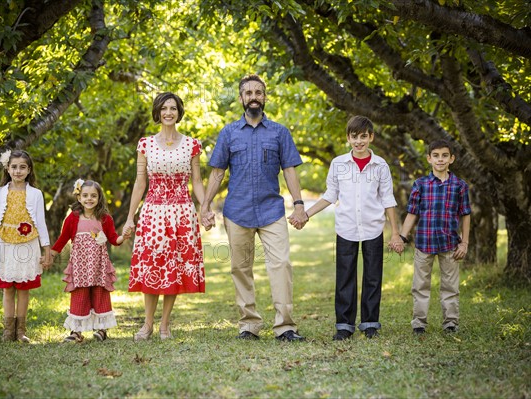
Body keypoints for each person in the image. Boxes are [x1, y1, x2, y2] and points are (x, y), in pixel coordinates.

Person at [201, 74, 308, 342]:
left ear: (265, 97)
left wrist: (298, 205)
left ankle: (285, 327)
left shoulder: (280, 132)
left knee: (281, 264)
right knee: (240, 267)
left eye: (258, 92)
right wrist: (204, 207)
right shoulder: (228, 133)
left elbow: (290, 170)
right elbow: (217, 173)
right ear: (240, 99)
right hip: (237, 211)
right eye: (248, 93)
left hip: (272, 210)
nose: (253, 97)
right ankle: (248, 325)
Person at [299, 115, 403, 341]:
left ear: (371, 137)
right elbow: (329, 195)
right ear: (348, 138)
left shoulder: (380, 165)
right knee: (345, 276)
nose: (359, 141)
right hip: (346, 227)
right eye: (354, 137)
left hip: (373, 228)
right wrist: (306, 214)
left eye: (363, 137)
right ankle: (344, 325)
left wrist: (395, 233)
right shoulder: (338, 164)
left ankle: (370, 323)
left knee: (373, 277)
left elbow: (388, 200)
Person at [123, 92, 206, 341]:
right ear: (157, 113)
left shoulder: (192, 145)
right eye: (164, 108)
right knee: (152, 265)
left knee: (175, 267)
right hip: (153, 212)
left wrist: (205, 207)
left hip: (182, 212)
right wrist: (130, 217)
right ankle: (147, 325)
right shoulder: (145, 144)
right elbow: (140, 182)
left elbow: (198, 181)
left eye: (173, 108)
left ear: (179, 112)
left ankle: (165, 326)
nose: (168, 112)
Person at [397, 139, 471, 335]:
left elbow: (465, 215)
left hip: (450, 245)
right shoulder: (420, 184)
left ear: (452, 159)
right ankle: (419, 323)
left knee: (450, 287)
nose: (440, 160)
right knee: (420, 285)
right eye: (436, 156)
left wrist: (464, 242)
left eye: (444, 155)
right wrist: (402, 237)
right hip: (423, 243)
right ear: (429, 159)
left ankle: (450, 323)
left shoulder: (459, 186)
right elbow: (412, 213)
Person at [51, 179, 127, 343]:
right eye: (85, 195)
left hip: (99, 265)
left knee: (100, 293)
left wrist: (123, 237)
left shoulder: (105, 218)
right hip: (80, 266)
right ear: (79, 198)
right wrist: (51, 254)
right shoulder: (72, 218)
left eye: (93, 195)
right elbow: (63, 238)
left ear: (99, 198)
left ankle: (102, 329)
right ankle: (76, 331)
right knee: (79, 295)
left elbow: (113, 239)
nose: (89, 199)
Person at [0, 149, 52, 343]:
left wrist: (46, 250)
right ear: (7, 169)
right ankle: (8, 331)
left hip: (28, 244)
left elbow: (40, 222)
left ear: (29, 170)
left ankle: (20, 331)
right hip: (5, 245)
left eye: (22, 167)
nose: (18, 171)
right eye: (14, 167)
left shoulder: (35, 194)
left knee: (24, 289)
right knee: (8, 289)